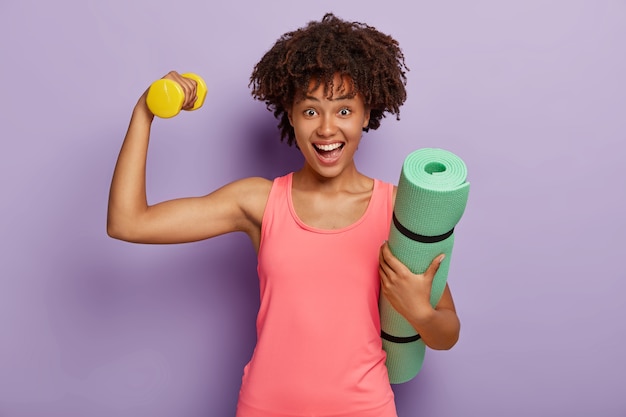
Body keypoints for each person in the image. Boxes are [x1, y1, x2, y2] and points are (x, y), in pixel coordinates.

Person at [107, 13, 460, 417]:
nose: (327, 128)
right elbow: (127, 222)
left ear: (367, 114)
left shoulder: (400, 211)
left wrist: (419, 312)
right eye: (310, 111)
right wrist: (143, 113)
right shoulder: (258, 201)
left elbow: (447, 332)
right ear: (290, 116)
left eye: (344, 110)